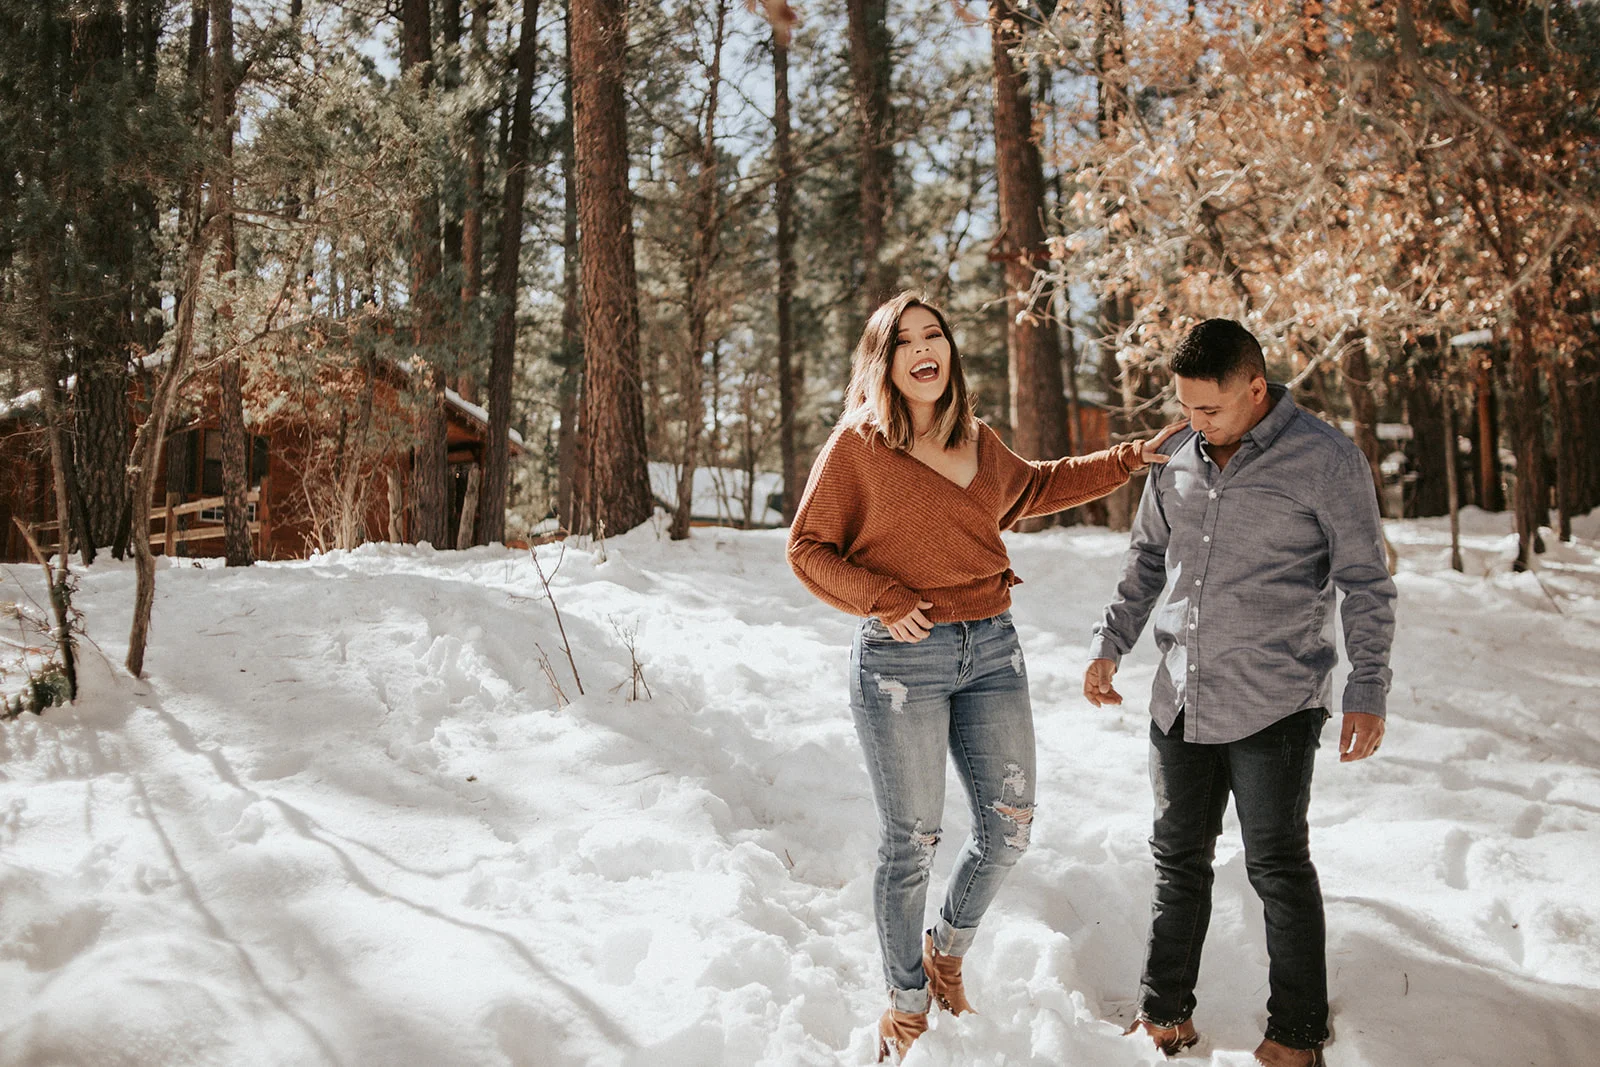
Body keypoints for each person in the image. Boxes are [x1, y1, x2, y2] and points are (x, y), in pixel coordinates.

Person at [787, 291, 1179, 1063]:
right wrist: (882, 596)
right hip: (904, 661)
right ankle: (905, 1007)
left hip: (993, 650)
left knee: (1010, 827)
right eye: (906, 341)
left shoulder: (977, 439)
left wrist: (1131, 457)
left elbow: (1041, 483)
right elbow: (807, 547)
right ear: (884, 360)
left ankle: (947, 950)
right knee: (912, 842)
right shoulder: (858, 448)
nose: (925, 348)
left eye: (935, 334)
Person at [1083, 319, 1396, 1067]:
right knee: (1177, 862)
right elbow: (1148, 559)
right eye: (1186, 407)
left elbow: (1366, 582)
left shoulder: (1326, 459)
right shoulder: (1176, 456)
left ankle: (1295, 1034)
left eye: (1211, 410)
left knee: (1277, 867)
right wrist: (1110, 642)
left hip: (1276, 702)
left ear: (1256, 388)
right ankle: (1164, 1016)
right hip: (1181, 696)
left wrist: (1369, 688)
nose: (1195, 424)